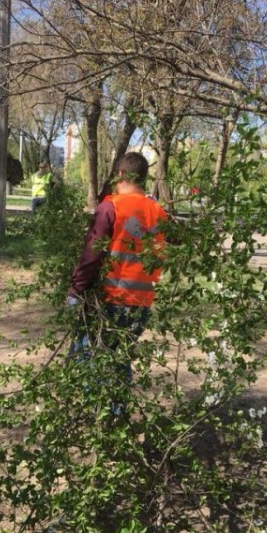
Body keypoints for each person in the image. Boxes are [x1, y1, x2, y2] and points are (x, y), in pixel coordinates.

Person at [67, 152, 167, 382]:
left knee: (91, 356)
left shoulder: (112, 206)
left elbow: (92, 253)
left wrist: (76, 289)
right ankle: (116, 413)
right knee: (119, 359)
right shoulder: (158, 211)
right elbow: (179, 238)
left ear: (119, 174)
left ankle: (100, 413)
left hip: (113, 298)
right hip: (142, 302)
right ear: (142, 177)